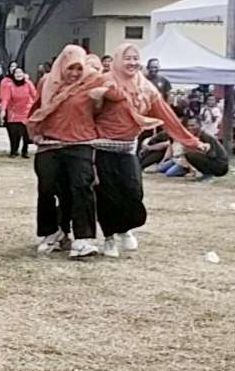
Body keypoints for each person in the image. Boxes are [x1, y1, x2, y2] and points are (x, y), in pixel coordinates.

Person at [90, 42, 210, 257]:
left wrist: (191, 141)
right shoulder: (103, 81)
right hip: (101, 148)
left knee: (134, 191)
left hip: (128, 149)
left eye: (136, 58)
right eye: (127, 58)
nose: (132, 62)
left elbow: (167, 116)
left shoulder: (146, 87)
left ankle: (125, 229)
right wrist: (98, 98)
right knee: (107, 195)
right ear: (117, 60)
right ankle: (109, 238)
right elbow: (85, 111)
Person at [25, 45, 101, 258]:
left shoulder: (93, 82)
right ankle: (52, 233)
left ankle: (83, 239)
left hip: (80, 144)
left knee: (81, 188)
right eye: (70, 68)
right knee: (47, 189)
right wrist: (35, 133)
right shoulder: (47, 82)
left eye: (79, 68)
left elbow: (109, 104)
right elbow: (37, 110)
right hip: (50, 144)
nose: (75, 74)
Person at [154, 111, 230, 180]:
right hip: (180, 160)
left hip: (219, 165)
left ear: (199, 125)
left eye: (193, 125)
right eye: (189, 126)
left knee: (189, 154)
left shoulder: (206, 136)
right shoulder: (191, 137)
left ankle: (208, 175)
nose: (190, 128)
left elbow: (212, 155)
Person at [0, 67, 38, 158]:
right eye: (16, 73)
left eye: (20, 72)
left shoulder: (28, 83)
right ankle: (13, 150)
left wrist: (38, 107)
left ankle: (25, 151)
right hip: (13, 112)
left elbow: (35, 95)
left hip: (26, 111)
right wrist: (3, 110)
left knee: (25, 134)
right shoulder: (10, 85)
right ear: (13, 75)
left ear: (23, 74)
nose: (18, 74)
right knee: (13, 133)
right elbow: (5, 99)